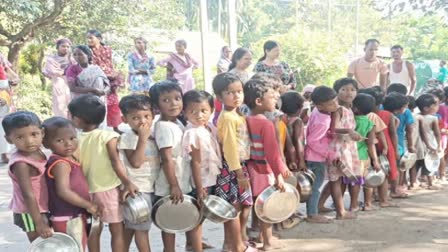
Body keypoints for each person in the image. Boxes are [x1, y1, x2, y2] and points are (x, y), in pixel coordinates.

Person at [68, 94, 138, 252]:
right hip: (108, 189)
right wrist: (127, 182)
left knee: (94, 229)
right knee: (117, 229)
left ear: (77, 119)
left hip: (86, 192)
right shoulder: (108, 136)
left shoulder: (73, 139)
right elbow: (116, 162)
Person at [149, 81, 202, 252]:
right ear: (157, 106)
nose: (173, 103)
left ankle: (191, 245)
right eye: (166, 100)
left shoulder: (177, 122)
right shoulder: (164, 127)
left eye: (177, 98)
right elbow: (166, 158)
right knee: (168, 220)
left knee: (188, 214)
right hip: (170, 184)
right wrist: (174, 185)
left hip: (182, 179)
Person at [244, 78, 289, 250]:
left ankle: (265, 237)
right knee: (266, 205)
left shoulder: (246, 119)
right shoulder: (265, 123)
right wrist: (280, 173)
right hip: (264, 170)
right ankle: (268, 242)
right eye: (272, 96)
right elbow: (272, 152)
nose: (276, 99)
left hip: (251, 167)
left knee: (258, 204)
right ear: (258, 101)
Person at [212, 73, 255, 252]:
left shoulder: (234, 114)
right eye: (230, 92)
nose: (237, 96)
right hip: (232, 168)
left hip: (236, 166)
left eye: (239, 91)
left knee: (233, 208)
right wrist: (239, 173)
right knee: (233, 209)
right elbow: (230, 148)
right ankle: (238, 247)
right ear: (219, 97)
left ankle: (229, 245)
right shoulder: (229, 118)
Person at [42, 117, 100, 251]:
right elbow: (63, 191)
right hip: (67, 217)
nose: (68, 144)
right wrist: (88, 205)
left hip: (73, 215)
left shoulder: (68, 158)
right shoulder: (61, 163)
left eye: (72, 138)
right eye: (60, 140)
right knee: (76, 248)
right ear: (46, 143)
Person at [118, 94, 159, 252]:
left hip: (149, 186)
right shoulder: (129, 137)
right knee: (142, 229)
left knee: (132, 225)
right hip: (138, 189)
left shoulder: (153, 134)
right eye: (135, 118)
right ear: (125, 119)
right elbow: (135, 162)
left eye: (146, 116)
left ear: (153, 116)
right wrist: (142, 139)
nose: (142, 121)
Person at [3, 111, 51, 242]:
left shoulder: (39, 152)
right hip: (30, 212)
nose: (29, 141)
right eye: (20, 137)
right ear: (9, 139)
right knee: (39, 243)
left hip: (42, 206)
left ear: (42, 132)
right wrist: (39, 222)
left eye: (34, 134)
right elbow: (28, 194)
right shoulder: (21, 164)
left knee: (50, 243)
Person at [182, 90, 220, 251]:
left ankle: (191, 244)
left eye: (204, 111)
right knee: (197, 218)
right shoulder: (193, 133)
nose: (199, 115)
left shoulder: (207, 128)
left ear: (211, 110)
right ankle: (196, 247)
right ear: (184, 112)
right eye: (193, 111)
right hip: (201, 181)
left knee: (199, 216)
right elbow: (195, 163)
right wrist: (199, 189)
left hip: (207, 179)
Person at [318, 78, 361, 216]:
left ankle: (329, 207)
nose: (349, 93)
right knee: (336, 179)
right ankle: (340, 212)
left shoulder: (349, 109)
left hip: (348, 148)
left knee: (339, 178)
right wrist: (349, 131)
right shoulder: (339, 109)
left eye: (352, 90)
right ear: (336, 92)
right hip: (338, 149)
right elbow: (334, 129)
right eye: (344, 89)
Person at [359, 87, 399, 207]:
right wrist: (386, 148)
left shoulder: (354, 115)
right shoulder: (374, 116)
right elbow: (381, 133)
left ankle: (368, 202)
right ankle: (383, 200)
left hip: (361, 149)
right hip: (375, 148)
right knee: (382, 174)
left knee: (367, 175)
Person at [305, 86, 340, 222]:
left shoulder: (318, 112)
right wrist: (328, 154)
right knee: (315, 187)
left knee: (314, 186)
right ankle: (312, 214)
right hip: (316, 158)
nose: (335, 105)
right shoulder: (322, 121)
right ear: (320, 105)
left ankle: (313, 211)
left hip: (314, 156)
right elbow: (313, 141)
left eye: (335, 101)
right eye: (331, 104)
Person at [87, 30, 125, 133]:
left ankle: (115, 127)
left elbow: (110, 63)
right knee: (98, 104)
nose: (89, 40)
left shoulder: (107, 49)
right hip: (97, 78)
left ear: (99, 39)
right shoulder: (88, 51)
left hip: (110, 78)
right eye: (88, 38)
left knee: (113, 103)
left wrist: (114, 76)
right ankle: (96, 128)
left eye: (91, 38)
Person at [352, 94, 381, 210]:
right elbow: (370, 144)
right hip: (364, 156)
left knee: (355, 182)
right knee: (368, 181)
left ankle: (353, 205)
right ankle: (368, 204)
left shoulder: (350, 120)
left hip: (351, 155)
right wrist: (375, 160)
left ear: (355, 108)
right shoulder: (370, 124)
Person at [383, 91, 413, 198]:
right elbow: (393, 134)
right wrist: (396, 149)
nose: (405, 109)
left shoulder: (381, 113)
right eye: (405, 107)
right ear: (398, 108)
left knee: (384, 169)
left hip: (382, 145)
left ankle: (379, 193)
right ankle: (394, 191)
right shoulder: (393, 117)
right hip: (394, 145)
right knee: (395, 168)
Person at [43, 38, 76, 118]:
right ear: (57, 47)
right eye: (63, 46)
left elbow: (76, 70)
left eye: (68, 47)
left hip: (71, 85)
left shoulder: (72, 59)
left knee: (72, 106)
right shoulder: (51, 59)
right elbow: (52, 71)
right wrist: (66, 71)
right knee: (59, 106)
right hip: (58, 84)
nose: (66, 48)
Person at [415, 93, 441, 189]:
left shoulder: (415, 116)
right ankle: (430, 183)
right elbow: (437, 133)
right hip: (429, 143)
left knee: (416, 164)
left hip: (417, 144)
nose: (437, 107)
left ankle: (413, 182)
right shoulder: (433, 118)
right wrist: (438, 145)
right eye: (435, 105)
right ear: (426, 108)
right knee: (430, 163)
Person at [280, 91, 306, 171]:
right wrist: (301, 160)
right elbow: (298, 140)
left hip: (284, 154)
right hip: (294, 156)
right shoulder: (297, 121)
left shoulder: (281, 118)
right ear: (300, 107)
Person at [0, 53, 18, 163]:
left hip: (4, 96)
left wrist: (14, 81)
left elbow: (14, 76)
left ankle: (4, 152)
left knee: (3, 124)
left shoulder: (1, 57)